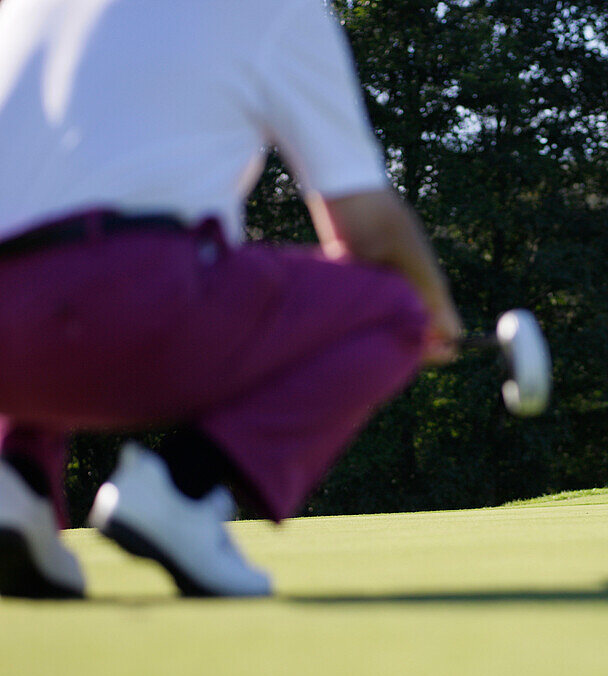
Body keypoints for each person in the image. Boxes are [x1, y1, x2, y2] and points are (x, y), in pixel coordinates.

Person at [0, 0, 462, 598]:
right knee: (392, 306)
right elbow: (366, 231)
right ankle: (183, 492)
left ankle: (17, 485)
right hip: (123, 299)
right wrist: (434, 307)